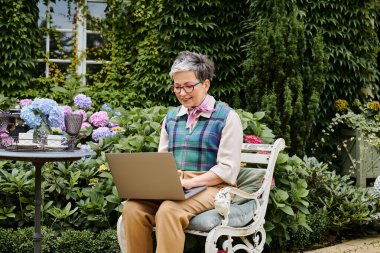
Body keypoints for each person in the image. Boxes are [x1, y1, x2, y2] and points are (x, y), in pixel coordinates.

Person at [122, 51, 243, 253]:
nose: (182, 92)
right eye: (177, 87)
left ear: (205, 84)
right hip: (174, 185)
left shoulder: (227, 117)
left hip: (213, 187)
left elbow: (227, 169)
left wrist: (189, 183)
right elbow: (163, 162)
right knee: (133, 208)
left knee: (169, 210)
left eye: (188, 86)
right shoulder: (171, 118)